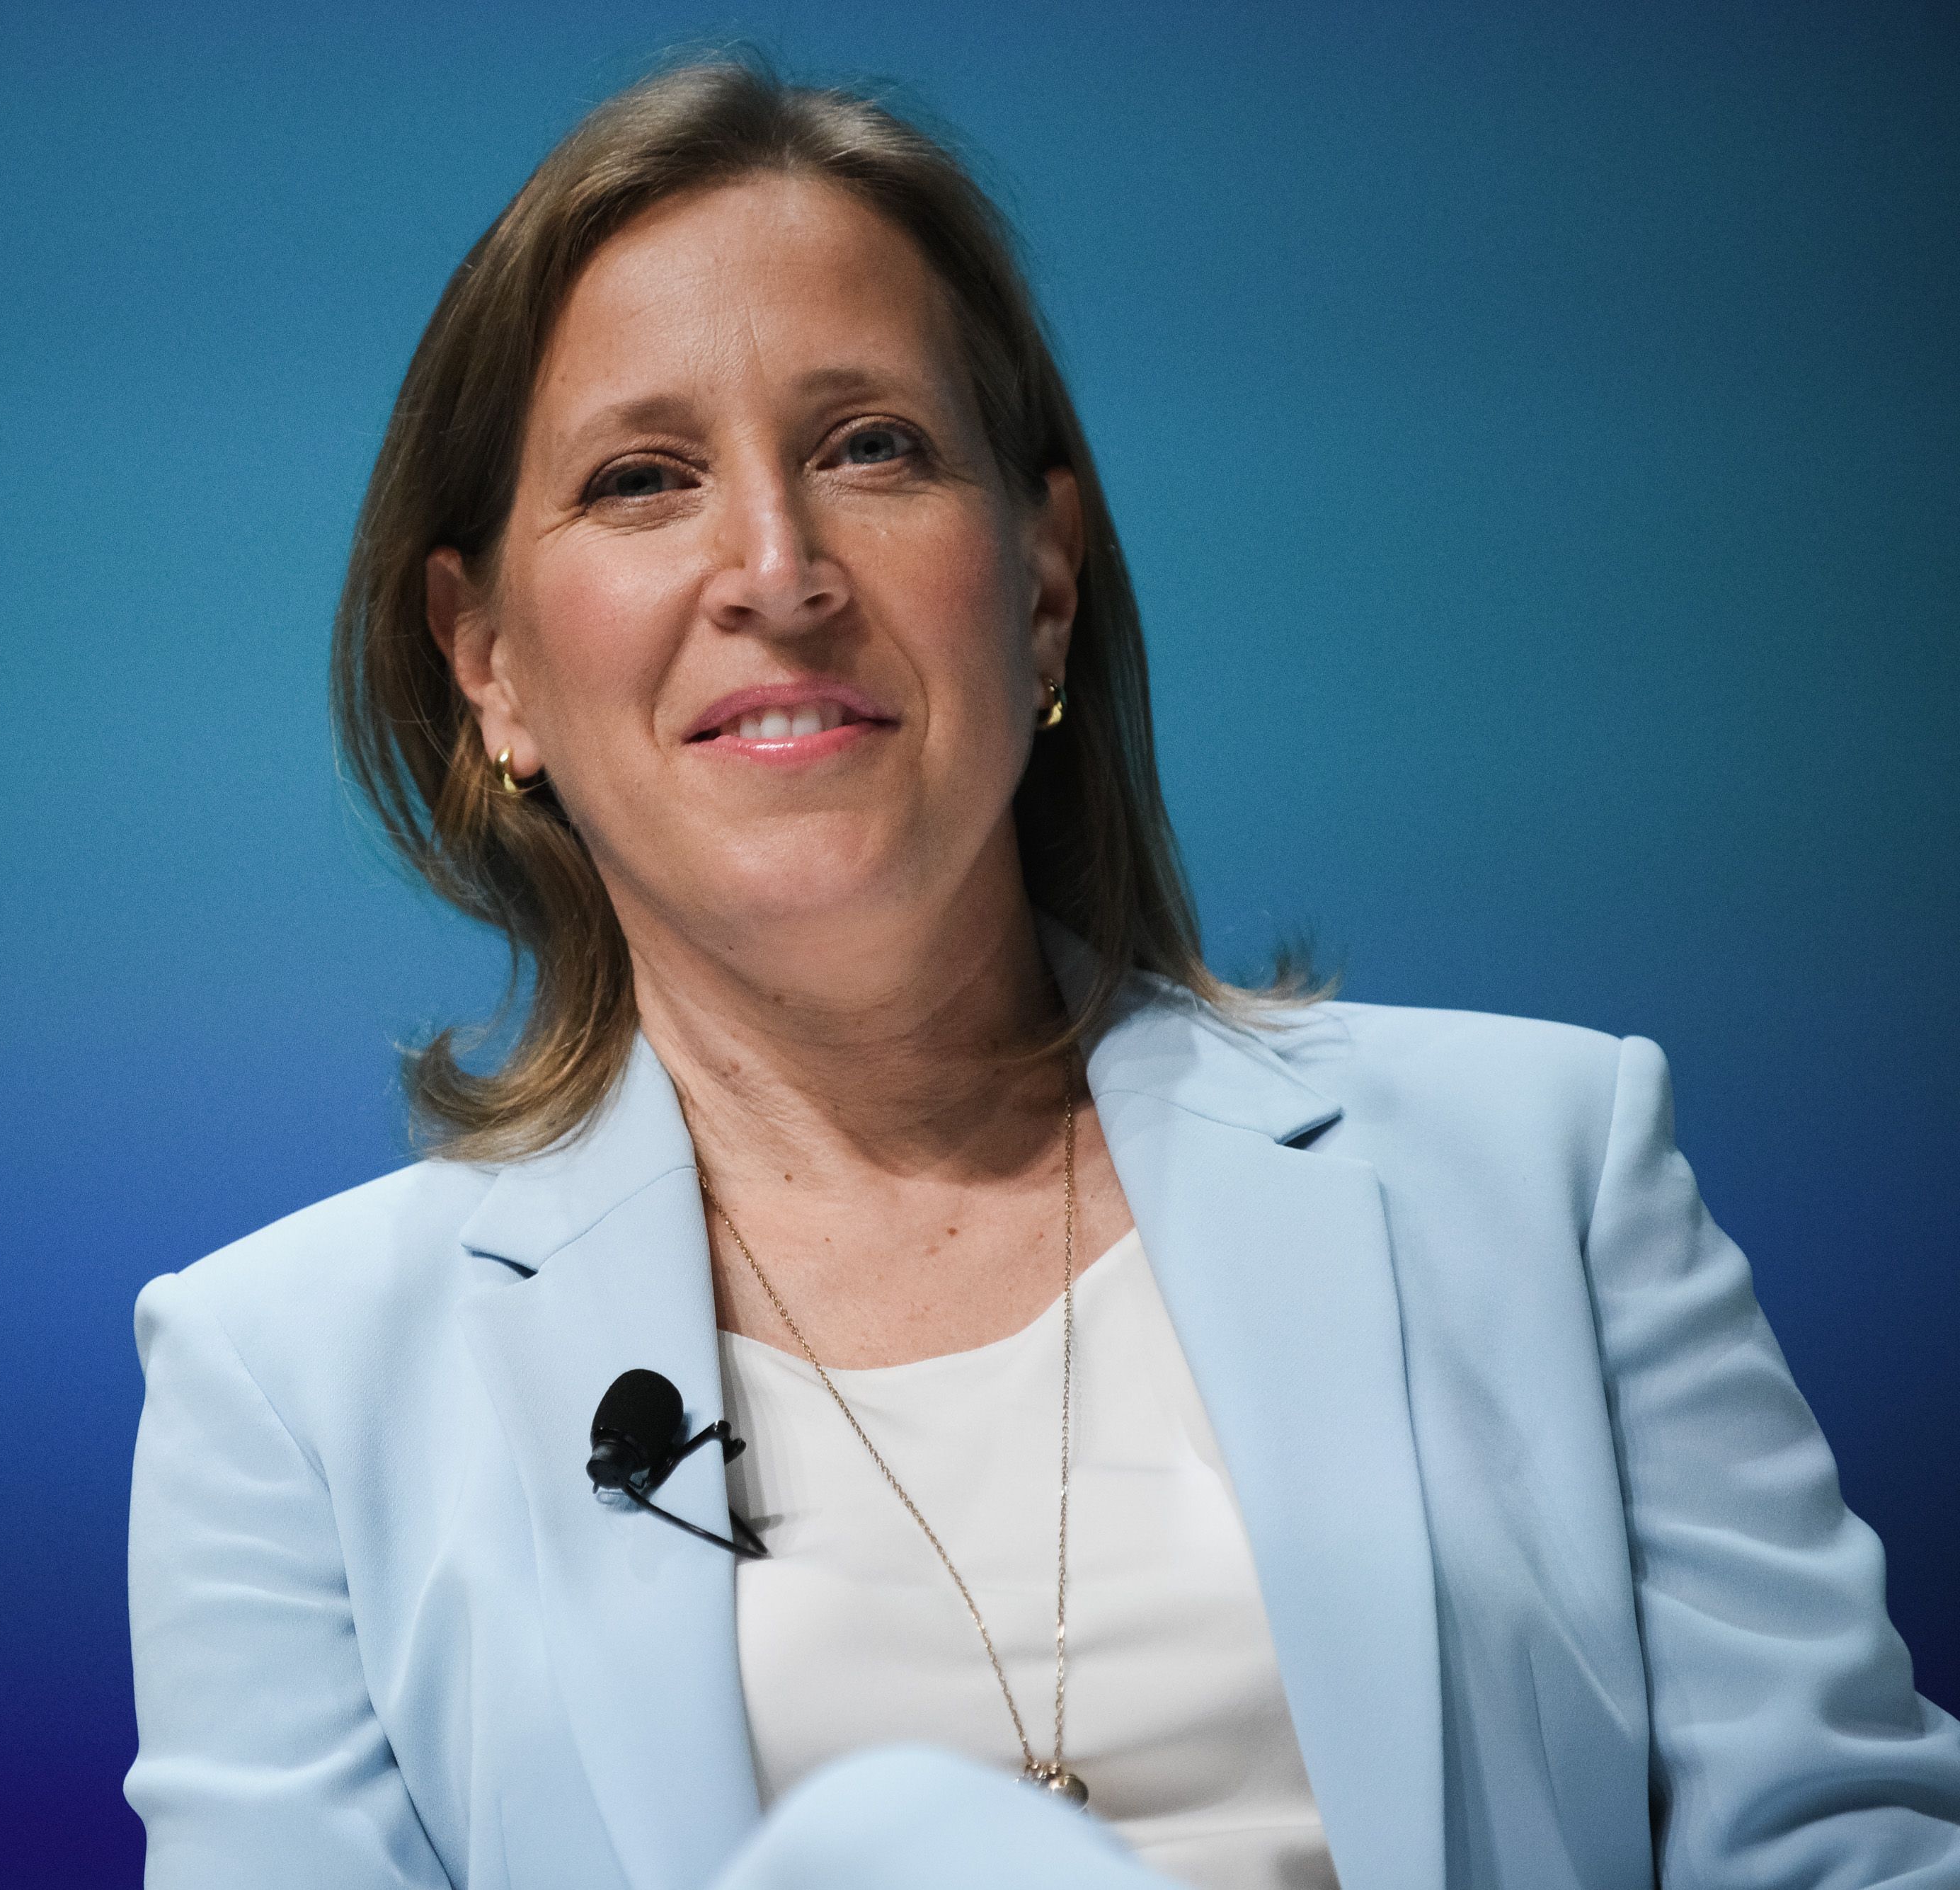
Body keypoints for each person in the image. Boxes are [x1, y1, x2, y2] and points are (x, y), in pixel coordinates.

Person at [123, 56, 1960, 1890]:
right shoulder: (288, 1383)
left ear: (1044, 575)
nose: (777, 567)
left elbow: (1847, 1854)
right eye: (642, 479)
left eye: (873, 448)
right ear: (489, 665)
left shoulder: (1544, 1167)